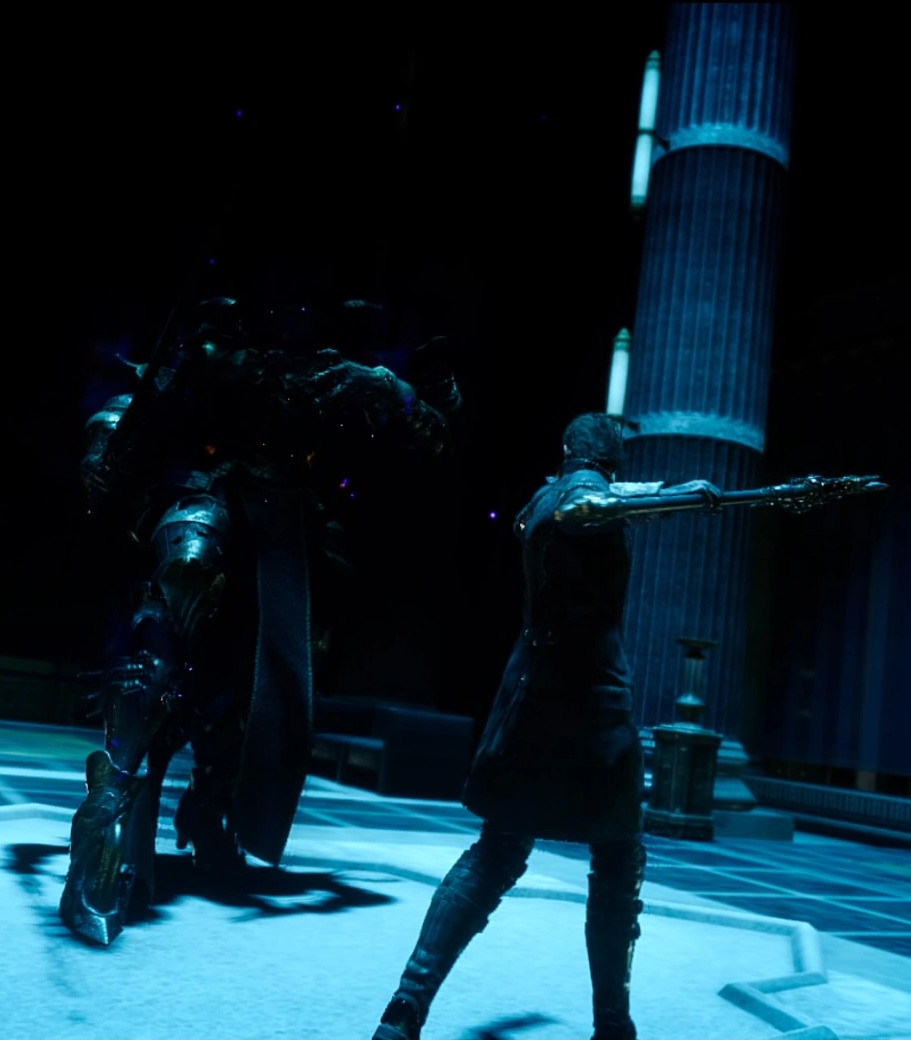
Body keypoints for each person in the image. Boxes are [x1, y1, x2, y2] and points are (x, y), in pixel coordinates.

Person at [63, 296, 460, 946]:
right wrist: (109, 446)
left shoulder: (345, 365)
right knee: (167, 626)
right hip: (207, 494)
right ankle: (102, 832)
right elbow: (140, 404)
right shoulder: (219, 339)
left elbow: (428, 435)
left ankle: (211, 814)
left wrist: (396, 390)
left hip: (287, 530)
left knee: (265, 686)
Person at [373, 412, 725, 1040]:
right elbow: (587, 508)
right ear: (610, 461)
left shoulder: (541, 498)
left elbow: (590, 498)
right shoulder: (581, 501)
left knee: (498, 851)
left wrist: (664, 492)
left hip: (530, 695)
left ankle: (407, 1004)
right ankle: (611, 1025)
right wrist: (678, 500)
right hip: (592, 705)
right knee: (616, 859)